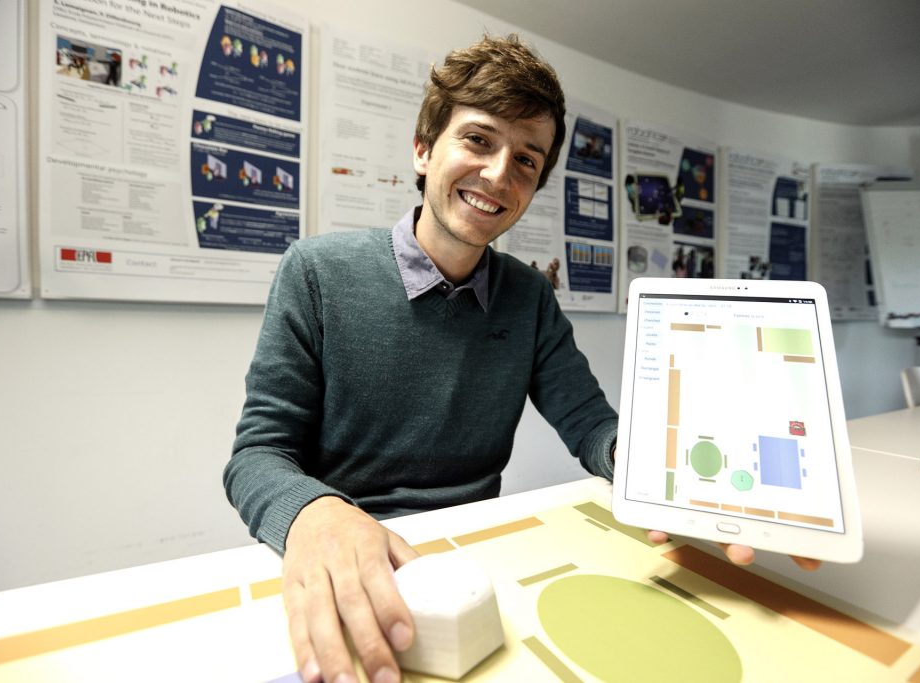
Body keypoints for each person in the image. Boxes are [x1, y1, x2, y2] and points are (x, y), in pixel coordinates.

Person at [225, 34, 818, 683]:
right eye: (478, 140)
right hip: (343, 554)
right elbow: (257, 454)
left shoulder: (529, 296)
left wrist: (667, 474)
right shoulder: (315, 271)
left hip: (475, 561)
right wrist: (315, 512)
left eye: (526, 161)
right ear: (424, 149)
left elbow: (593, 425)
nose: (498, 174)